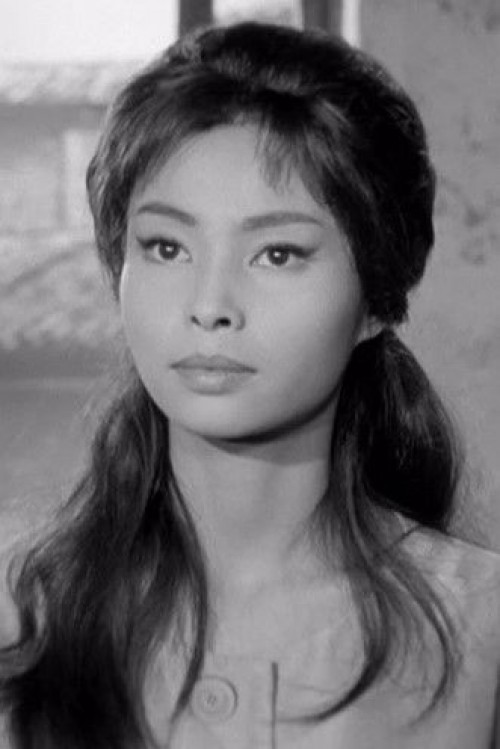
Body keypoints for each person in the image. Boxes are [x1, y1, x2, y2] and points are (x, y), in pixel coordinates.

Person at [1, 20, 499, 749]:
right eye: (165, 246)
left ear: (376, 300)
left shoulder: (482, 626)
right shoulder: (21, 614)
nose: (210, 305)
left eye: (278, 254)